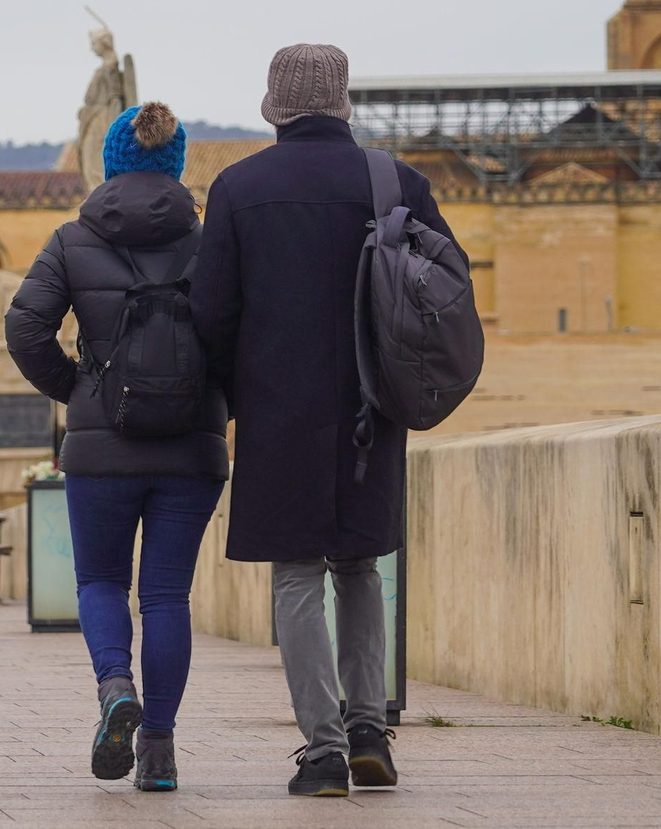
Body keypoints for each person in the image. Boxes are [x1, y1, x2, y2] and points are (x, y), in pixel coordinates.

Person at [189, 44, 464, 798]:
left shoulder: (239, 189)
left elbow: (210, 312)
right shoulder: (394, 180)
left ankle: (324, 750)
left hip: (278, 408)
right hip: (374, 404)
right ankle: (371, 726)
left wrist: (235, 392)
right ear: (343, 101)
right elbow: (444, 284)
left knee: (297, 574)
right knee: (360, 563)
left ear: (274, 106)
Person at [6, 101, 229, 792]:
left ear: (110, 162)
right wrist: (215, 399)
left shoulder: (72, 239)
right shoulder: (213, 241)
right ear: (177, 163)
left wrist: (78, 388)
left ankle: (113, 689)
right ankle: (158, 752)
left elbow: (25, 328)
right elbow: (243, 338)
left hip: (101, 448)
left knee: (101, 580)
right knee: (166, 595)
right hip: (192, 449)